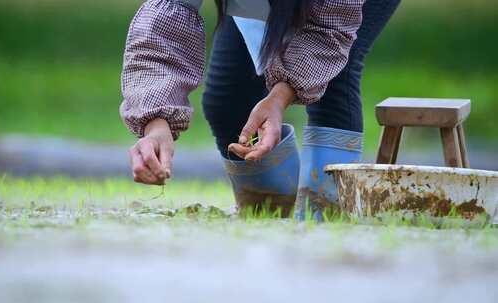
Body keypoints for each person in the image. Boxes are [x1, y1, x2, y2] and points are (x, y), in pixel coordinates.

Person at [120, 0, 400, 219]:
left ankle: (324, 219)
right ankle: (271, 215)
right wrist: (155, 124)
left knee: (335, 77)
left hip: (336, 8)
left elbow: (327, 32)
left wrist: (279, 98)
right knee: (228, 98)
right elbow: (164, 27)